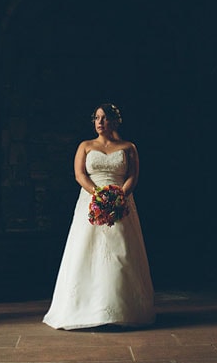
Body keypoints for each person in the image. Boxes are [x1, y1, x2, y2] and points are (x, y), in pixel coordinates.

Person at [43, 103, 156, 330]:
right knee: (86, 250)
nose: (99, 122)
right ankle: (86, 309)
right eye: (96, 118)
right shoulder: (85, 146)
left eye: (104, 118)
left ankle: (123, 309)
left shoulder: (128, 147)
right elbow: (79, 174)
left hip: (121, 200)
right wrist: (99, 195)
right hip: (91, 199)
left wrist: (119, 196)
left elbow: (133, 175)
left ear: (115, 120)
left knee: (120, 251)